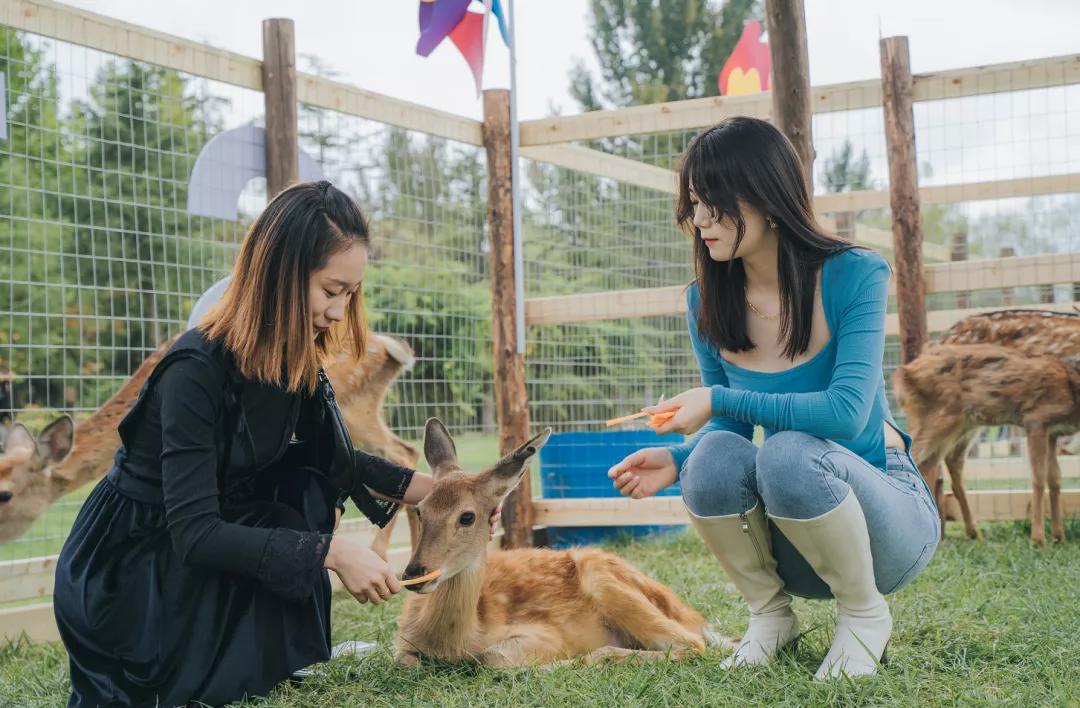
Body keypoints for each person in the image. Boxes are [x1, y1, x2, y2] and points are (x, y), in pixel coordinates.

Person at [53, 181, 494, 706]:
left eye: (350, 294)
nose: (339, 312)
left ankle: (268, 656)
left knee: (304, 481)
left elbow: (334, 461)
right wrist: (330, 551)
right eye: (331, 291)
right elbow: (194, 533)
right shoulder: (194, 369)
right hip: (134, 567)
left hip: (197, 535)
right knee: (291, 514)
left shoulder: (292, 357)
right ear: (279, 274)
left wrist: (450, 495)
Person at [607, 117, 939, 680]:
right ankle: (770, 616)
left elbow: (846, 413)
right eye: (694, 203)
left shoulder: (855, 274)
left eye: (714, 202)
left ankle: (864, 616)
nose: (700, 221)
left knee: (787, 450)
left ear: (765, 196)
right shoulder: (706, 301)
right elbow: (730, 434)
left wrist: (717, 398)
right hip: (799, 536)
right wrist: (680, 460)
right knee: (712, 457)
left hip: (886, 520)